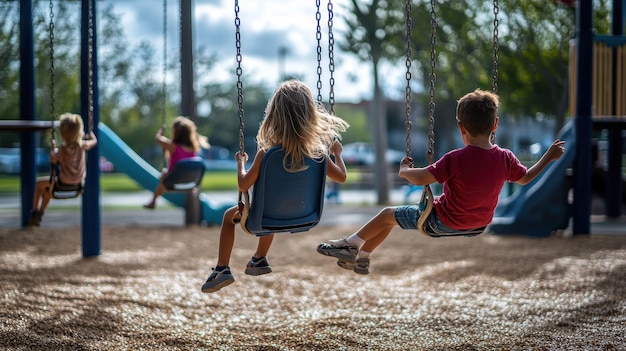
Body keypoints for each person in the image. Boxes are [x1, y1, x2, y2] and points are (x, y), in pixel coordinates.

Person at [317, 88, 566, 275]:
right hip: (477, 225)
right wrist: (549, 157)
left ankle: (350, 245)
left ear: (461, 128)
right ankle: (363, 258)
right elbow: (526, 178)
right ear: (496, 125)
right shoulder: (505, 158)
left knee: (385, 214)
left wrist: (404, 170)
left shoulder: (457, 158)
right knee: (391, 221)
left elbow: (420, 177)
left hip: (440, 222)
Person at [201, 79, 350, 293]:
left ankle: (222, 269)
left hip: (267, 216)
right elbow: (342, 177)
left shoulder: (266, 155)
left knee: (231, 216)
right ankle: (259, 259)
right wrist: (337, 154)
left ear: (274, 117)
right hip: (304, 215)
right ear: (310, 115)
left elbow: (243, 184)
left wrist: (240, 163)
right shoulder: (319, 155)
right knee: (267, 209)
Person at [30, 113, 97, 226]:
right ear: (79, 131)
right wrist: (92, 136)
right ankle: (40, 214)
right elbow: (94, 142)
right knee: (47, 193)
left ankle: (35, 212)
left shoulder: (62, 149)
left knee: (38, 184)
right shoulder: (83, 146)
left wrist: (52, 148)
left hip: (62, 183)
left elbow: (53, 159)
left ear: (62, 133)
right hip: (78, 184)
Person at [143, 116, 208, 209]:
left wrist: (161, 132)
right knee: (177, 170)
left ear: (175, 133)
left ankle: (153, 201)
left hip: (172, 182)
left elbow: (158, 139)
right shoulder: (193, 148)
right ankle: (193, 194)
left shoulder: (173, 147)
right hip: (190, 183)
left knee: (163, 175)